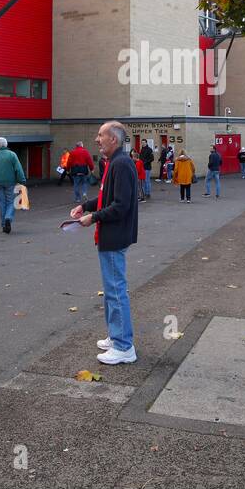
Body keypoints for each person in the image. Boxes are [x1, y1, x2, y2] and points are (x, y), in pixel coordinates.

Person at [71, 121, 139, 365]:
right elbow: (105, 197)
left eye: (101, 135)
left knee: (115, 291)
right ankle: (116, 336)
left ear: (114, 140)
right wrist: (86, 206)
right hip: (112, 234)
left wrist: (94, 217)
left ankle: (123, 345)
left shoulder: (120, 164)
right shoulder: (115, 163)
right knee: (112, 290)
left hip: (114, 234)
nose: (97, 140)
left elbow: (120, 205)